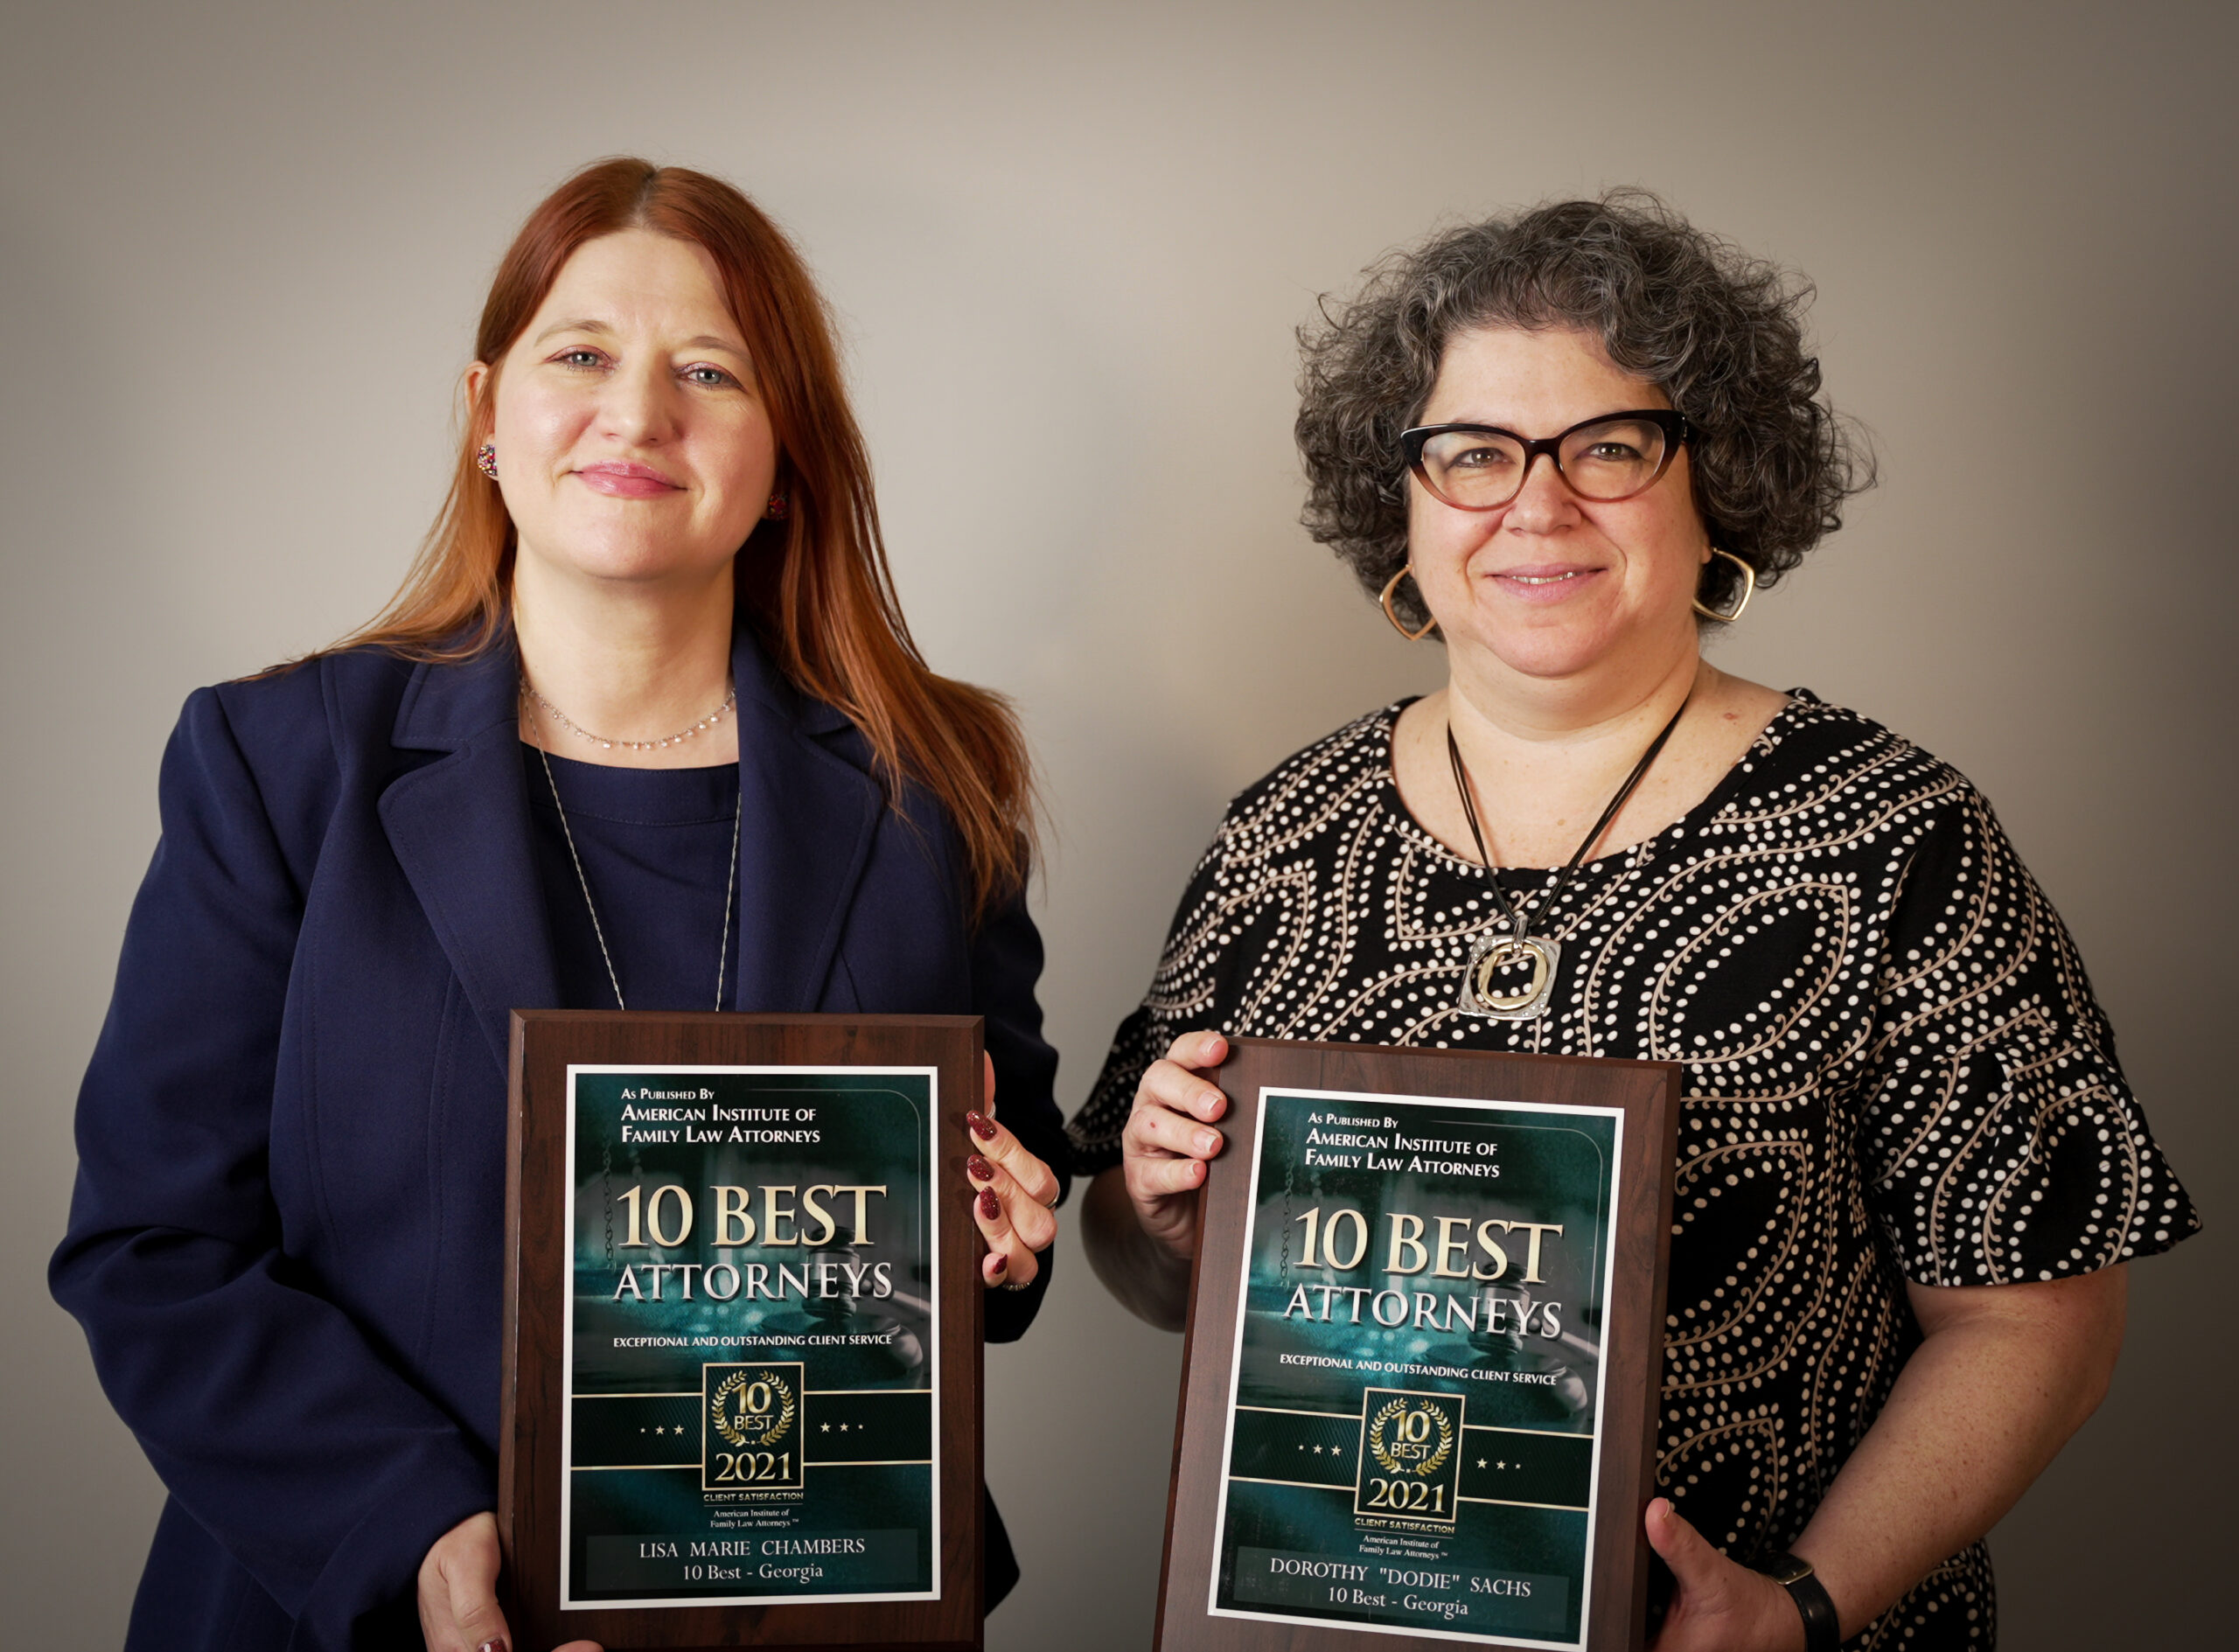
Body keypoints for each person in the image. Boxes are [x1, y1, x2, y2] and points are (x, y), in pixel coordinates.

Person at [1072, 192, 2197, 1650]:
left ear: (1709, 482)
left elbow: (2037, 1321)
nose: (1536, 507)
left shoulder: (1892, 833)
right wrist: (1163, 1216)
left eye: (1609, 446)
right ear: (1402, 506)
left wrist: (1803, 1602)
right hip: (1346, 1614)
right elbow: (1148, 1263)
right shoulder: (1289, 828)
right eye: (1473, 453)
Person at [51, 158, 1065, 1652]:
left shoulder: (934, 777)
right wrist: (419, 1536)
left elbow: (993, 1182)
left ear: (785, 459)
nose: (638, 413)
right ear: (486, 416)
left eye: (709, 370)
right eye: (580, 354)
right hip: (368, 1610)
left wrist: (1004, 1226)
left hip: (808, 1606)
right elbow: (151, 1248)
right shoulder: (277, 764)